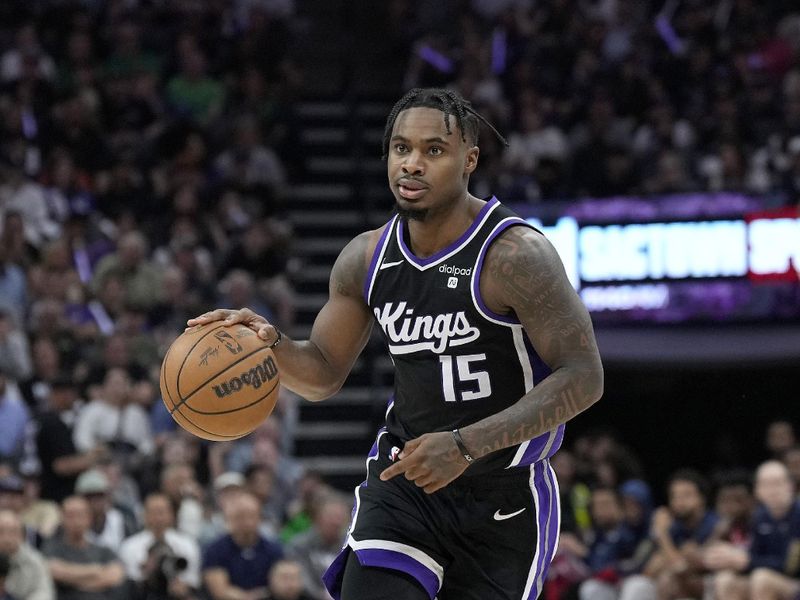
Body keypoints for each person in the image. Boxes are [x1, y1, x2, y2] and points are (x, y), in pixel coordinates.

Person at [189, 87, 604, 600]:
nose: (412, 164)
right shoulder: (365, 258)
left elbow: (584, 376)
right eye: (401, 149)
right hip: (404, 483)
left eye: (434, 150)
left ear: (469, 159)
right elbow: (321, 373)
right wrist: (271, 344)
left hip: (503, 497)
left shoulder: (515, 255)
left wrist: (464, 446)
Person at [202, 491, 284, 600]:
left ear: (260, 518)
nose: (247, 523)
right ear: (229, 519)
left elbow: (281, 585)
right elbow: (219, 590)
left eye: (251, 516)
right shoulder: (215, 550)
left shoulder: (273, 549)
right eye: (240, 517)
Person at [42, 495, 126, 600]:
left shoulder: (103, 550)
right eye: (70, 516)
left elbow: (115, 575)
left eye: (80, 515)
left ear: (89, 518)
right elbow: (53, 570)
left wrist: (72, 580)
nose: (76, 521)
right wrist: (95, 571)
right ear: (62, 518)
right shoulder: (51, 547)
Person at [0, 509, 54, 600]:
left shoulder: (35, 560)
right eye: (1, 532)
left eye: (13, 532)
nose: (7, 539)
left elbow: (44, 592)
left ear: (22, 536)